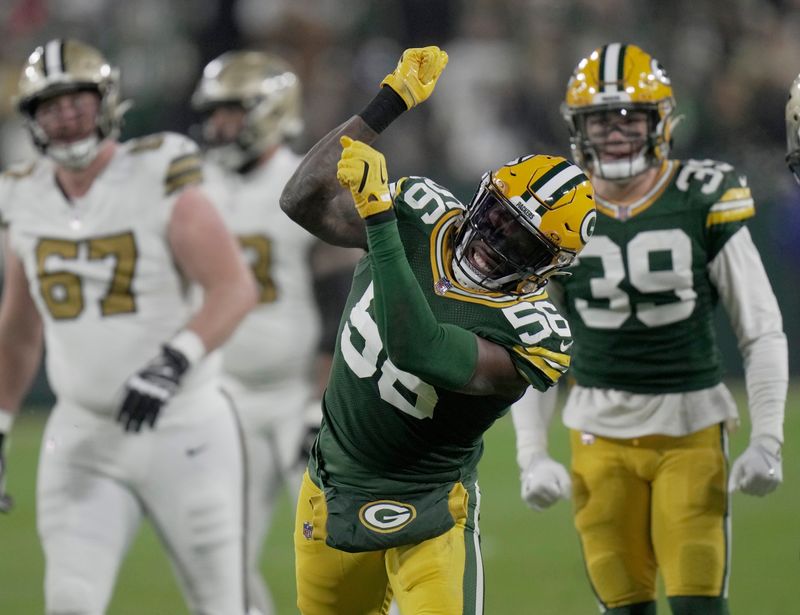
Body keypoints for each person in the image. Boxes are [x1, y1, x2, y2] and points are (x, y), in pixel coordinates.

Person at [280, 45, 597, 615]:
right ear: (484, 196)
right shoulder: (424, 212)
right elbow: (301, 201)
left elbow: (419, 350)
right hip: (331, 484)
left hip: (430, 513)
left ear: (549, 265)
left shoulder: (537, 333)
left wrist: (378, 219)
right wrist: (387, 105)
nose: (495, 238)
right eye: (499, 215)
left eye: (521, 241)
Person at [511, 42, 788, 615]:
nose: (614, 132)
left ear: (660, 122)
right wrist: (532, 454)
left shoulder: (702, 195)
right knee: (624, 608)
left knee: (697, 607)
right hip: (597, 433)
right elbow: (531, 345)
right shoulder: (559, 204)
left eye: (628, 116)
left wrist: (768, 439)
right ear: (575, 128)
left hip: (691, 427)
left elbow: (759, 328)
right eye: (599, 120)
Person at [0, 39, 258, 614]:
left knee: (222, 605)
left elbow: (234, 287)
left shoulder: (158, 167)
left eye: (77, 101)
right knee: (69, 602)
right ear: (32, 119)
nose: (66, 116)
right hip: (83, 437)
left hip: (186, 428)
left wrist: (174, 360)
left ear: (107, 102)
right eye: (50, 106)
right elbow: (18, 331)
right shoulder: (20, 193)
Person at [190, 49, 361, 615]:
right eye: (215, 112)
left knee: (341, 548)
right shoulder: (189, 186)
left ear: (270, 111)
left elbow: (339, 306)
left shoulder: (303, 184)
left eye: (233, 112)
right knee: (214, 558)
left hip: (300, 399)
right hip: (222, 396)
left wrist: (321, 400)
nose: (219, 125)